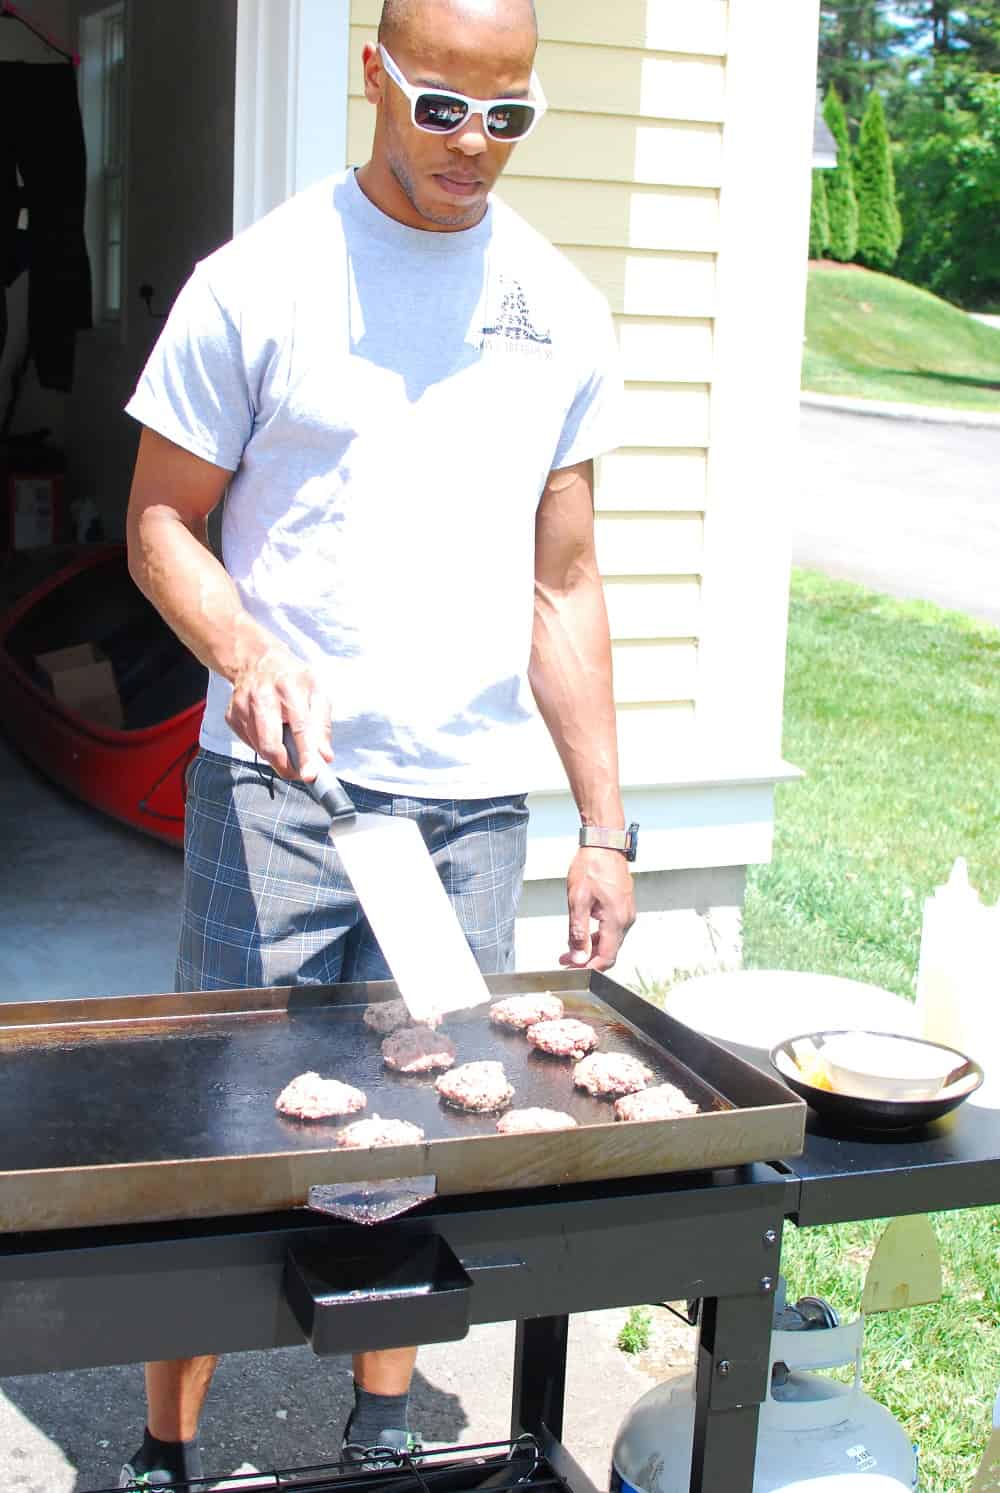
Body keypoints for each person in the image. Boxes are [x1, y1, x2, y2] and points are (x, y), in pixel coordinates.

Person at [119, 0, 635, 1483]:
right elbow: (161, 522)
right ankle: (168, 1439)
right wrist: (242, 647)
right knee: (225, 1133)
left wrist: (605, 824)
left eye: (511, 116)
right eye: (443, 110)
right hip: (278, 794)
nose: (476, 148)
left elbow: (566, 580)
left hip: (469, 809)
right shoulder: (259, 282)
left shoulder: (558, 307)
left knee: (411, 1130)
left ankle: (385, 1416)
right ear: (374, 78)